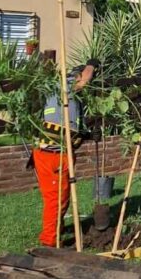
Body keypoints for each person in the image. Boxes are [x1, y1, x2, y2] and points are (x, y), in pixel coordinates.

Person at [32, 59, 97, 247]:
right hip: (52, 156)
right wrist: (92, 65)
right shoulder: (66, 86)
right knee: (56, 198)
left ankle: (56, 230)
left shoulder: (66, 96)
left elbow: (67, 124)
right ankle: (49, 242)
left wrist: (85, 134)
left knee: (63, 196)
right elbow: (85, 79)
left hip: (59, 154)